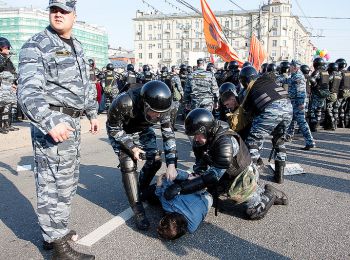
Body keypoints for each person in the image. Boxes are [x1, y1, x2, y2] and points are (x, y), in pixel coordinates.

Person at [17, 1, 99, 259]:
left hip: (72, 124)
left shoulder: (77, 46)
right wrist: (50, 121)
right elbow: (28, 92)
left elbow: (86, 84)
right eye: (54, 9)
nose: (58, 14)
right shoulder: (37, 44)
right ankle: (59, 248)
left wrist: (91, 112)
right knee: (53, 185)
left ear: (75, 15)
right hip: (53, 125)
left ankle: (55, 233)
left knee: (67, 182)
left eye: (64, 10)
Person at [164, 109, 288, 221]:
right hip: (224, 172)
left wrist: (182, 188)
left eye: (197, 135)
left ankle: (269, 193)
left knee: (254, 212)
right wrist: (187, 180)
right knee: (202, 189)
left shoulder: (225, 143)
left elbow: (212, 177)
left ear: (206, 130)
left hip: (242, 176)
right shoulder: (201, 141)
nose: (195, 139)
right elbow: (200, 167)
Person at [106, 80, 178, 231]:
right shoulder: (124, 102)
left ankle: (141, 190)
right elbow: (113, 127)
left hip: (143, 130)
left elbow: (168, 135)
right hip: (122, 132)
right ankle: (138, 209)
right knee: (128, 163)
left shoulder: (164, 108)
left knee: (156, 160)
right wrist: (132, 147)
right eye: (154, 112)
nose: (158, 117)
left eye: (161, 114)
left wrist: (171, 163)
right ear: (145, 104)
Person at [228, 66, 292, 184]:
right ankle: (279, 176)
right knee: (279, 140)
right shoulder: (268, 80)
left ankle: (250, 179)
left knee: (253, 141)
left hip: (271, 109)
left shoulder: (249, 88)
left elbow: (246, 114)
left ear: (244, 80)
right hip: (288, 107)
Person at [155, 170, 213, 240]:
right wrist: (160, 180)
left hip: (209, 200)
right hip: (201, 187)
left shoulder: (192, 229)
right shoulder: (169, 204)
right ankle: (191, 174)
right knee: (170, 190)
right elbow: (165, 180)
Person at [284, 61, 315, 149]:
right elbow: (288, 80)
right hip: (294, 102)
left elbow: (301, 92)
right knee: (292, 120)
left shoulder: (298, 77)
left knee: (302, 122)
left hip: (298, 103)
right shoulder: (294, 75)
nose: (289, 67)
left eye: (291, 66)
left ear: (295, 67)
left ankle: (310, 141)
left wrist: (301, 103)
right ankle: (288, 136)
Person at [0, 37, 19, 134]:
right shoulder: (2, 59)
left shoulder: (7, 59)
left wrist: (15, 83)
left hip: (9, 86)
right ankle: (0, 126)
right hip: (2, 86)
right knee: (1, 106)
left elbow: (13, 72)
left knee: (9, 106)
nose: (8, 50)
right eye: (6, 48)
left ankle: (7, 124)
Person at [309, 57, 329, 132]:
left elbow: (312, 79)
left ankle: (313, 126)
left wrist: (314, 85)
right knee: (319, 109)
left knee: (312, 109)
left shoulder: (317, 71)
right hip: (324, 93)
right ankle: (317, 123)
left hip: (317, 93)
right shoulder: (326, 72)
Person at [324, 62, 342, 130]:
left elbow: (326, 81)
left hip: (331, 94)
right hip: (336, 94)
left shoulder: (332, 75)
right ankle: (335, 124)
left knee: (329, 109)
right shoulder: (339, 75)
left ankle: (332, 123)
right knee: (335, 110)